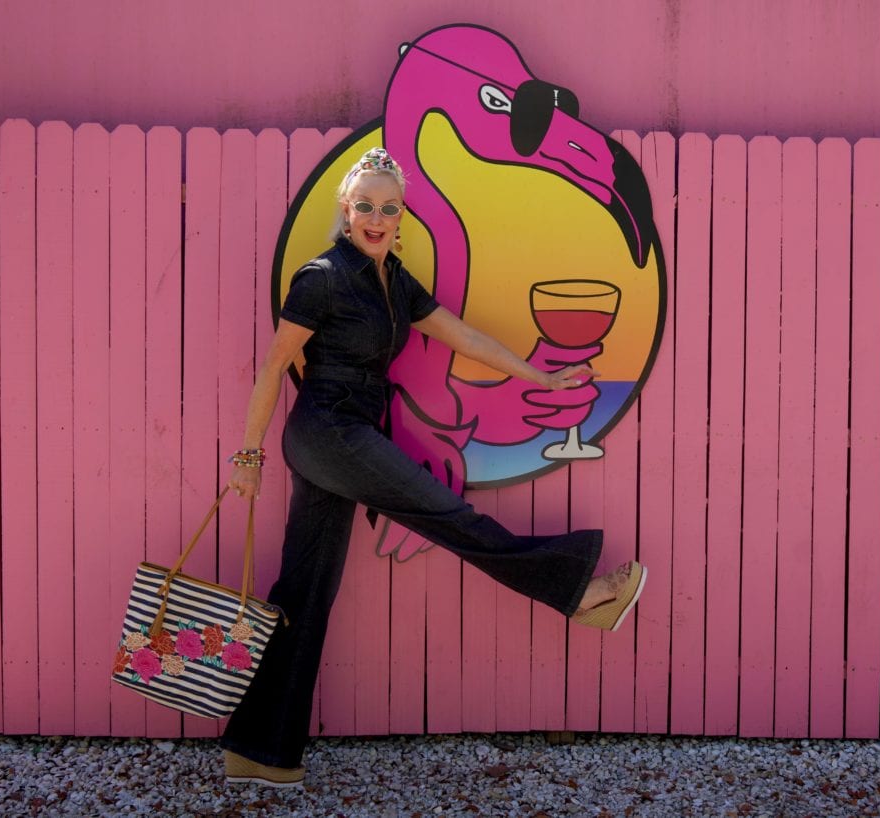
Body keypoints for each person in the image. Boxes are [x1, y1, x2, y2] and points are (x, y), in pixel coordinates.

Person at [220, 147, 647, 787]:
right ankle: (576, 591)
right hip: (327, 431)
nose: (376, 216)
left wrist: (543, 377)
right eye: (365, 205)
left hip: (351, 432)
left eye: (389, 208)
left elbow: (464, 336)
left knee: (306, 589)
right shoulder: (322, 276)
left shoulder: (393, 278)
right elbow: (275, 366)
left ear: (400, 217)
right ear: (345, 208)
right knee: (446, 513)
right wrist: (247, 458)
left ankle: (258, 750)